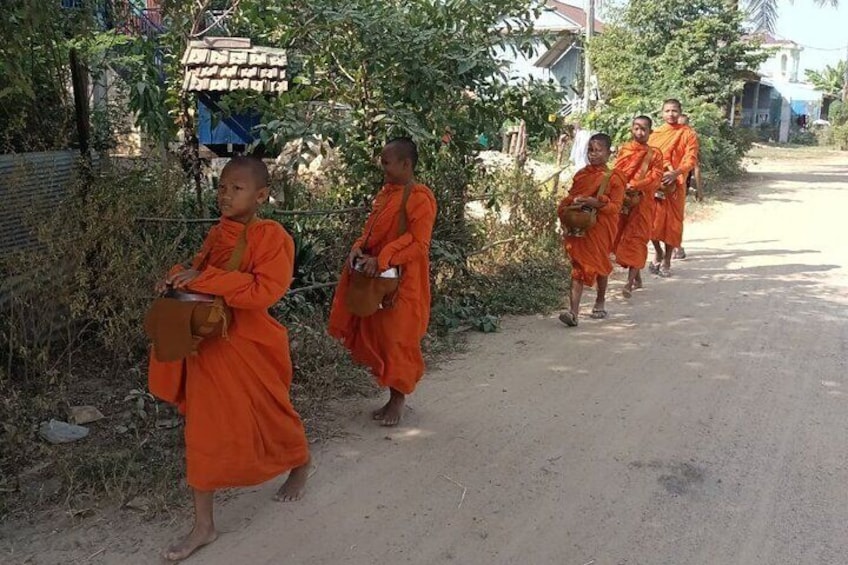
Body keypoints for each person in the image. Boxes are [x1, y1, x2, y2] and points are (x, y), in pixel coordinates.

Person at [148, 156, 310, 562]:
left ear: (261, 195)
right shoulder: (218, 233)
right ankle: (204, 525)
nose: (225, 194)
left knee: (270, 412)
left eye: (235, 188)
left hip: (249, 344)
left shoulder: (273, 237)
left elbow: (263, 292)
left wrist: (203, 279)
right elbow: (200, 272)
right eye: (221, 186)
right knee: (202, 431)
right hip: (209, 344)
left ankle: (300, 461)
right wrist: (178, 276)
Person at [328, 138, 437, 427]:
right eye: (383, 161)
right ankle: (391, 395)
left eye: (387, 162)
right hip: (378, 278)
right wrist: (359, 247)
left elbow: (419, 245)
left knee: (397, 339)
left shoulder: (420, 198)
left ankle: (398, 401)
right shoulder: (387, 195)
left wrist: (386, 257)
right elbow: (371, 231)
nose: (383, 167)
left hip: (404, 282)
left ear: (406, 164)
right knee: (379, 335)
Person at [557, 133, 626, 326]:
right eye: (590, 150)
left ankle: (600, 301)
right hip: (579, 226)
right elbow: (570, 196)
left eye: (598, 150)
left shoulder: (615, 178)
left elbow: (616, 207)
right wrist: (573, 202)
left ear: (608, 153)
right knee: (578, 266)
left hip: (601, 227)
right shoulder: (582, 175)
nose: (593, 154)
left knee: (600, 264)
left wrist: (596, 203)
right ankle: (573, 313)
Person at [612, 116, 664, 298]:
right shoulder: (625, 150)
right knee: (620, 237)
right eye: (636, 128)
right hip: (624, 200)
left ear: (650, 132)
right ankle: (638, 278)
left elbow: (656, 178)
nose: (640, 132)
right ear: (631, 130)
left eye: (644, 129)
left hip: (643, 202)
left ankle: (628, 283)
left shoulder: (655, 154)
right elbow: (616, 172)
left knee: (637, 239)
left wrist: (636, 185)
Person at [648, 99, 699, 277]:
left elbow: (690, 159)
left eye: (674, 111)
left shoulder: (688, 134)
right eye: (667, 111)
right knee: (651, 223)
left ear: (680, 112)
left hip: (675, 186)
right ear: (661, 113)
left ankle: (667, 259)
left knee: (672, 225)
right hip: (655, 184)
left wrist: (676, 173)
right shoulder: (655, 134)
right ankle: (658, 252)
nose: (671, 114)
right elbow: (648, 157)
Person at [672, 113, 703, 260]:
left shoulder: (690, 139)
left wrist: (699, 190)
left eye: (685, 126)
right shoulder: (667, 137)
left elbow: (695, 167)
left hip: (681, 183)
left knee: (676, 217)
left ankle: (677, 246)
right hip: (664, 182)